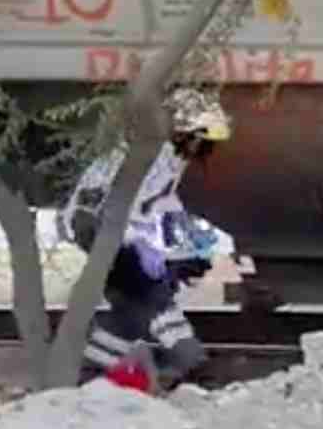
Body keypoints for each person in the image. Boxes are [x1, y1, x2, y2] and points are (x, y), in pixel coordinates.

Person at [59, 88, 229, 389]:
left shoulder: (171, 157)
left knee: (130, 309)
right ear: (182, 133)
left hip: (127, 233)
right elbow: (105, 208)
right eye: (200, 140)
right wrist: (141, 246)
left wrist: (187, 232)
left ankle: (93, 369)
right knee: (151, 295)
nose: (202, 149)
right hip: (99, 231)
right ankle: (190, 359)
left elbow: (157, 201)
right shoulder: (142, 155)